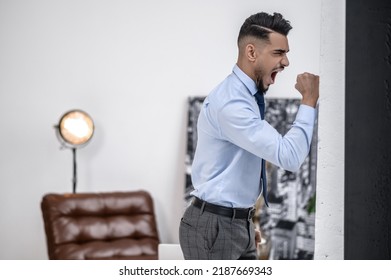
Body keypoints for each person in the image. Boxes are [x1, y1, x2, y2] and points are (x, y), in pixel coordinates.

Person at [179, 12, 319, 260]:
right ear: (252, 53)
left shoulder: (247, 95)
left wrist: (240, 223)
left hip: (232, 223)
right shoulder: (232, 103)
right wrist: (308, 100)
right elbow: (290, 156)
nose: (286, 62)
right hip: (216, 225)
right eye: (278, 53)